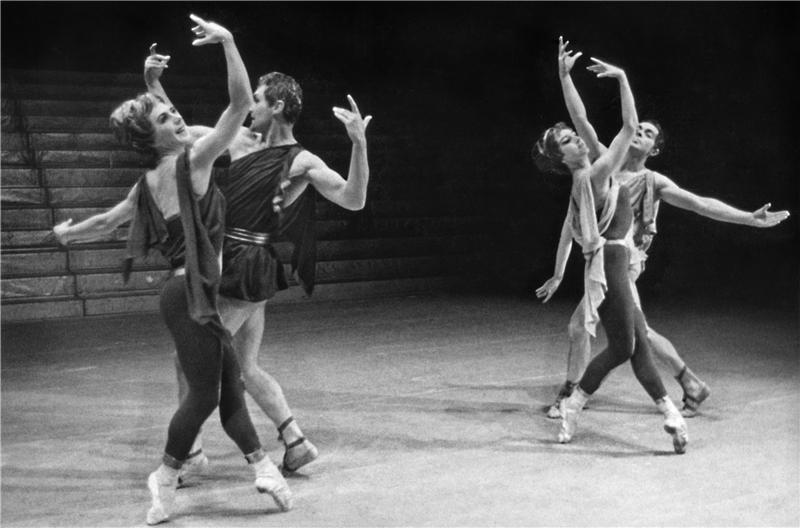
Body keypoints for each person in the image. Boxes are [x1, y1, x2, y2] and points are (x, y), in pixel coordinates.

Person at [52, 15, 293, 524]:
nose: (178, 118)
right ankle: (164, 477)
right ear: (153, 137)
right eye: (167, 118)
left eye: (174, 112)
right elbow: (238, 104)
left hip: (188, 294)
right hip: (190, 296)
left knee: (229, 388)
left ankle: (265, 467)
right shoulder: (194, 161)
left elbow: (106, 222)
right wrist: (229, 42)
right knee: (204, 394)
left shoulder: (149, 180)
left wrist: (69, 233)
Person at [143, 45, 372, 479]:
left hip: (247, 267)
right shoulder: (240, 140)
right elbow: (181, 131)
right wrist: (153, 84)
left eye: (258, 101)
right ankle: (296, 442)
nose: (249, 108)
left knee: (189, 359)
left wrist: (358, 145)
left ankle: (189, 454)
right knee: (245, 368)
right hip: (235, 262)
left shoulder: (301, 160)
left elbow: (353, 198)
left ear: (278, 106)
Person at [537, 37, 791, 419]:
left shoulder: (654, 182)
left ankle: (573, 394)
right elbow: (581, 120)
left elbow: (701, 203)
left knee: (596, 329)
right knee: (634, 333)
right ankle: (689, 383)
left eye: (648, 134)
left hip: (625, 262)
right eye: (638, 129)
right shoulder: (606, 162)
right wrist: (565, 77)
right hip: (608, 259)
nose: (639, 133)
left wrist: (748, 218)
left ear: (653, 150)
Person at [533, 52, 689, 453]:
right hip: (611, 264)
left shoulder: (590, 171)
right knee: (627, 345)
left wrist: (565, 77)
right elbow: (629, 126)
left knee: (631, 345)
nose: (577, 139)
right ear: (562, 158)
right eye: (568, 142)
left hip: (615, 263)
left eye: (573, 137)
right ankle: (580, 403)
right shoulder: (595, 175)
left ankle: (664, 411)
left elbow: (581, 118)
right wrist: (621, 79)